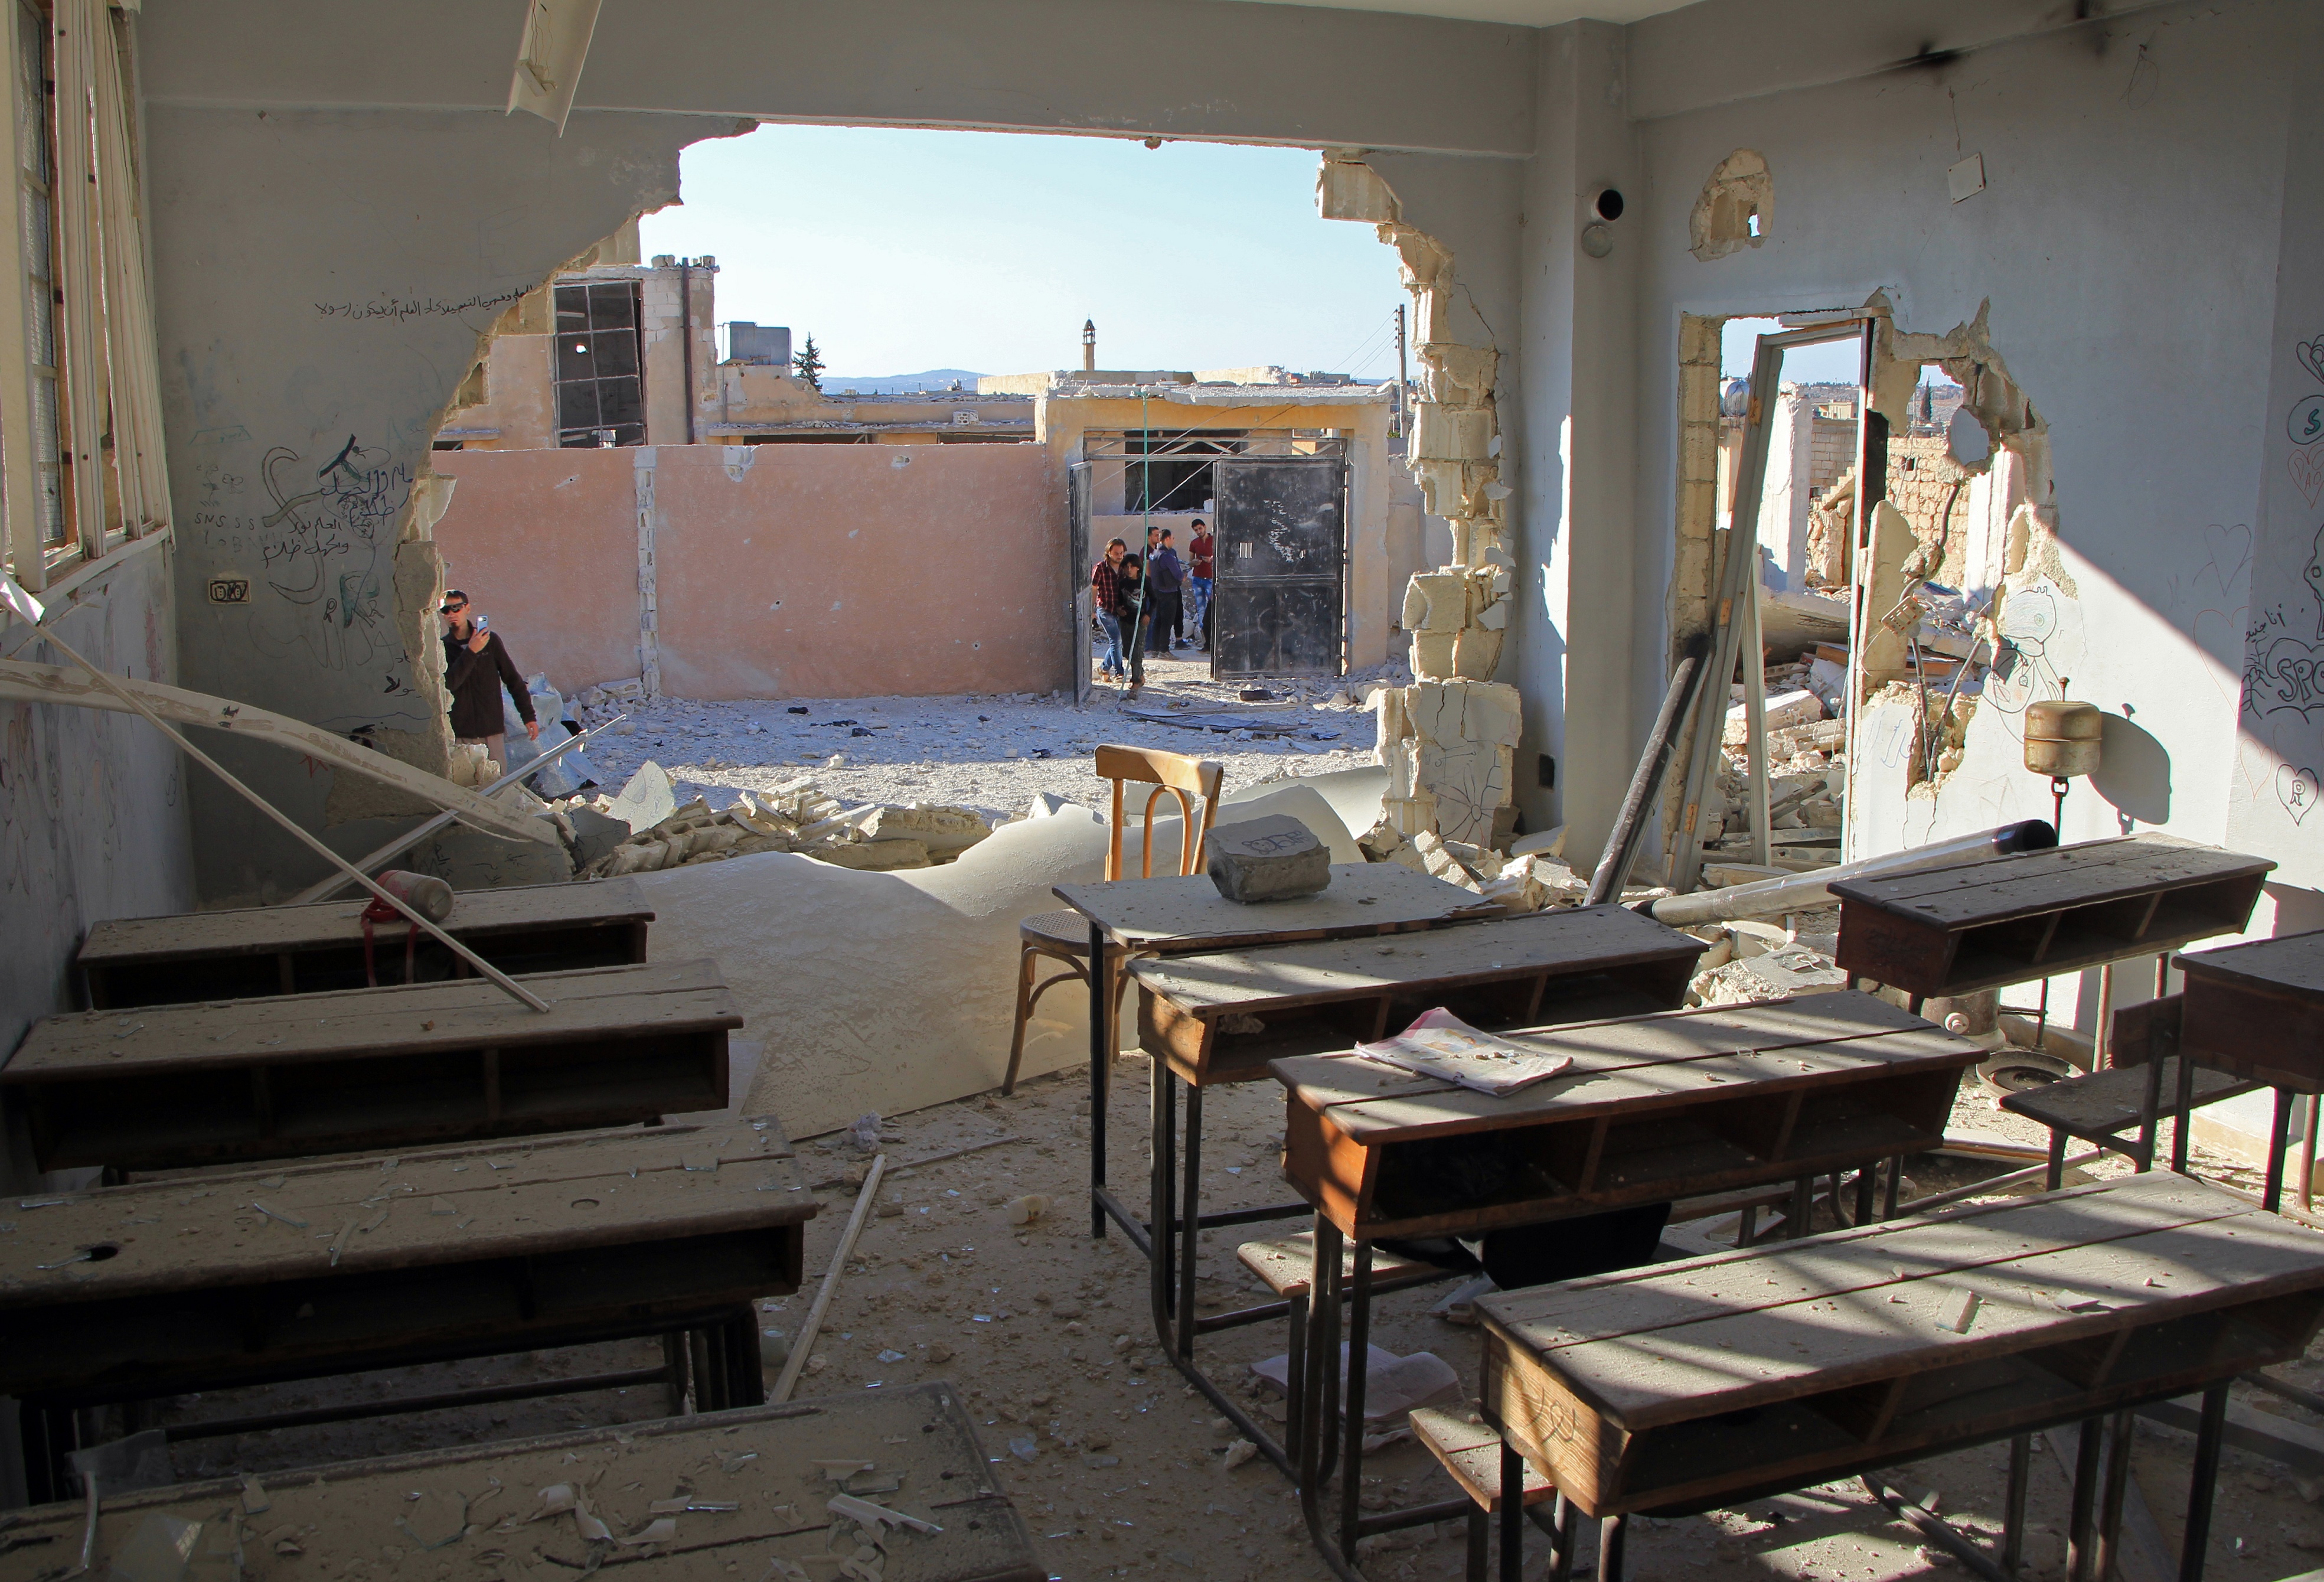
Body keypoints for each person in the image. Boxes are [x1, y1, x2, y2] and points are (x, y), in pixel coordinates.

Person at [440, 588, 537, 769]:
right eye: (446, 610)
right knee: (465, 787)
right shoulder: (442, 648)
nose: (451, 614)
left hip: (491, 730)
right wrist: (471, 652)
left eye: (457, 608)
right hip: (461, 733)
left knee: (497, 786)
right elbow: (450, 684)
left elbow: (513, 680)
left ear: (467, 609)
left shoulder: (490, 641)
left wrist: (529, 716)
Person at [1090, 537, 1129, 680]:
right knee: (1116, 639)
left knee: (1120, 640)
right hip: (1105, 608)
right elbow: (1094, 589)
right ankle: (1119, 672)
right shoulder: (1100, 568)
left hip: (1121, 609)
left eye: (1122, 553)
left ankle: (1104, 668)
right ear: (1109, 553)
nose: (1120, 556)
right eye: (1117, 553)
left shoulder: (1126, 568)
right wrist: (1092, 610)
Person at [1146, 527, 1187, 653]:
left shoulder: (1154, 554)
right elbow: (1178, 575)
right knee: (1167, 622)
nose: (1174, 541)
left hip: (1157, 590)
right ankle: (1164, 650)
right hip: (1169, 592)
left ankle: (1155, 649)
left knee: (1158, 620)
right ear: (1167, 539)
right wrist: (1183, 576)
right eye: (1173, 538)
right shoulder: (1167, 556)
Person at [1117, 552, 1149, 693]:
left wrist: (1148, 615)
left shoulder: (1144, 582)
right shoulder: (1122, 583)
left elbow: (1154, 600)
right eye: (1127, 567)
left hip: (1140, 622)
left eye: (1132, 567)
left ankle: (1135, 682)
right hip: (1125, 622)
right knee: (1127, 652)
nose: (1129, 570)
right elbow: (1118, 601)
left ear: (1138, 568)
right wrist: (1119, 609)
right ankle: (1140, 674)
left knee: (1137, 653)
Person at [1186, 518, 1214, 650]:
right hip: (1197, 578)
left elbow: (1221, 556)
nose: (1199, 532)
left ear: (1205, 527)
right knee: (1201, 610)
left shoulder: (1214, 540)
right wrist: (1195, 563)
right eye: (1196, 530)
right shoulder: (1194, 543)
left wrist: (1212, 560)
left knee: (1213, 608)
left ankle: (1213, 639)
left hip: (1210, 578)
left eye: (1200, 529)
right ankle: (1206, 641)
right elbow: (1190, 562)